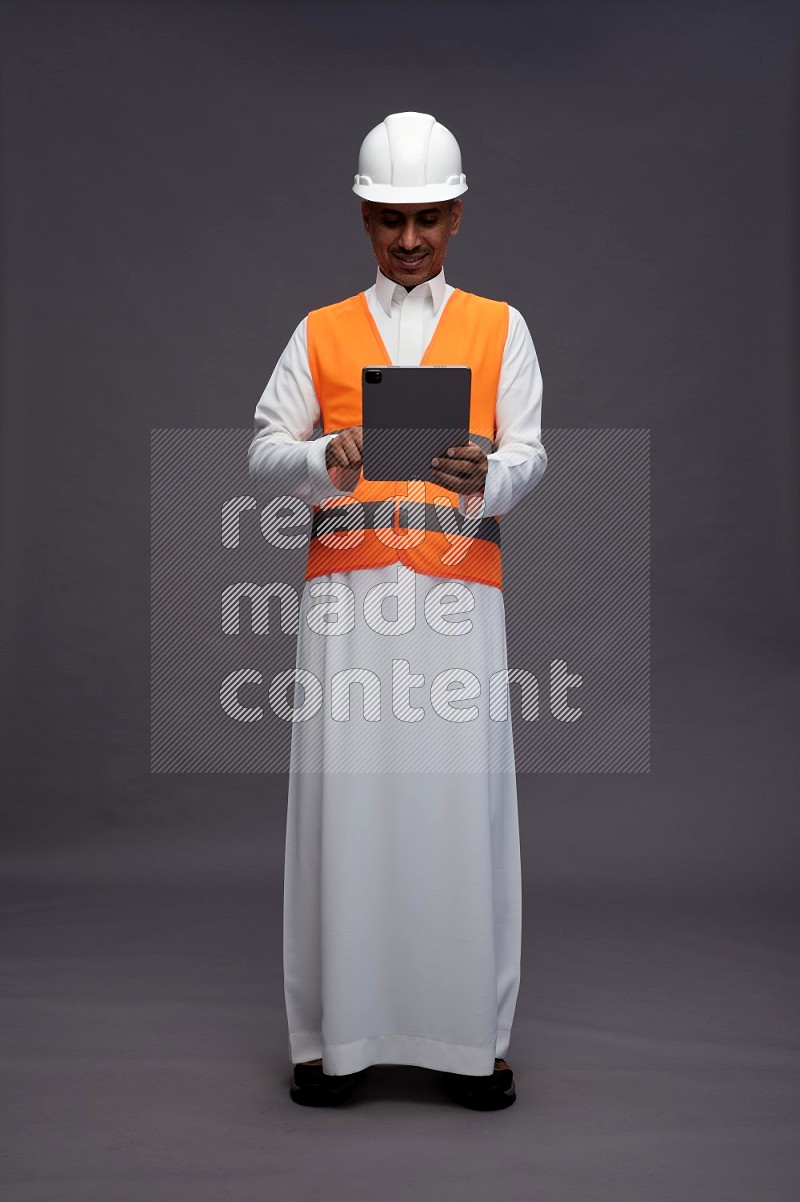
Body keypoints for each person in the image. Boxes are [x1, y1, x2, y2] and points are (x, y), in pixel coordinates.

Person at [247, 112, 547, 1110]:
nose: (407, 237)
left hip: (457, 606)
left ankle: (472, 1042)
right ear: (364, 219)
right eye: (388, 219)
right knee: (345, 807)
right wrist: (317, 456)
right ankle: (333, 1037)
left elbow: (529, 455)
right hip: (346, 606)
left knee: (460, 809)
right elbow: (263, 450)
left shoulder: (501, 326)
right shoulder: (320, 330)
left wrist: (484, 477)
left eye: (425, 217)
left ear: (456, 216)